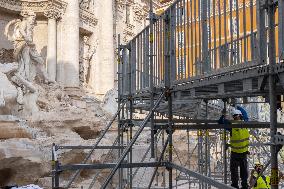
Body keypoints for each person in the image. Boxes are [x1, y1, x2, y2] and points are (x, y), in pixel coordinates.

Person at [218, 106, 250, 189]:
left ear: (233, 117)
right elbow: (245, 113)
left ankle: (235, 186)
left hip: (235, 153)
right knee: (244, 170)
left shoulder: (231, 125)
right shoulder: (245, 122)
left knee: (234, 171)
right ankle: (244, 185)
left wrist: (223, 115)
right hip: (244, 152)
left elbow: (220, 122)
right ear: (240, 116)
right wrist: (238, 106)